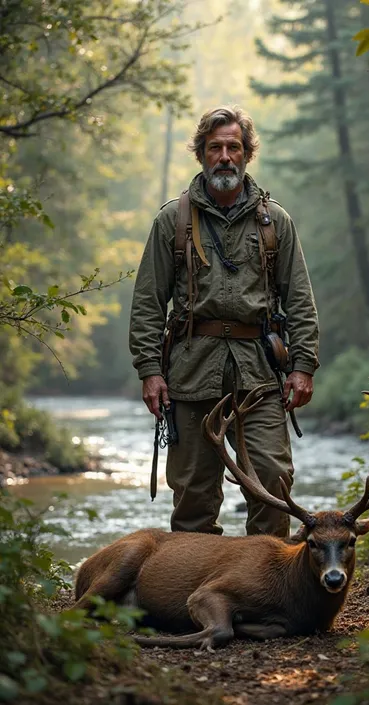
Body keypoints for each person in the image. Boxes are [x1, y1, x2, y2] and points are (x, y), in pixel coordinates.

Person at [129, 106, 319, 538]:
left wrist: (304, 366)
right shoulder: (171, 221)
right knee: (194, 495)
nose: (225, 156)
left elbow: (301, 301)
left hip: (260, 375)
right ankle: (191, 598)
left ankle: (264, 593)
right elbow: (147, 304)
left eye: (234, 147)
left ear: (248, 154)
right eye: (215, 147)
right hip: (191, 372)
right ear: (201, 154)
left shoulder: (276, 223)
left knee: (273, 483)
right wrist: (150, 371)